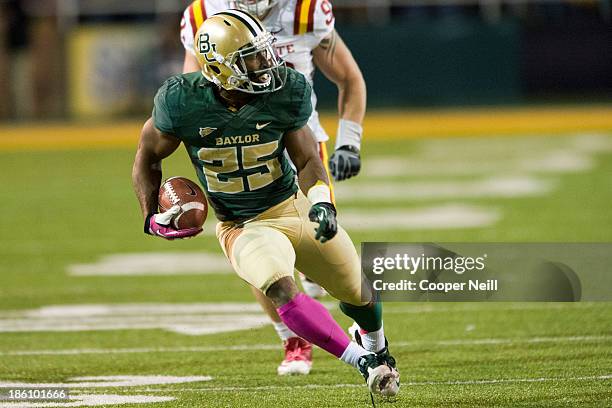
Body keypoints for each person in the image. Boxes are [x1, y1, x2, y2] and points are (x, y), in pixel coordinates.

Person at [132, 10, 399, 397]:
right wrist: (150, 217)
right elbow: (146, 156)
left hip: (290, 206)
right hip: (243, 225)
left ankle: (378, 347)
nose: (266, 63)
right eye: (251, 57)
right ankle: (361, 361)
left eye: (263, 53)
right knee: (281, 288)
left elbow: (307, 159)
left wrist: (322, 202)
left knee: (359, 292)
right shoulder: (182, 100)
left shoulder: (283, 90)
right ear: (222, 68)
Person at [179, 0, 366, 375]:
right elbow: (191, 94)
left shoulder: (305, 11)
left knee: (322, 244)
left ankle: (341, 309)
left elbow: (349, 78)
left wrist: (350, 140)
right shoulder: (203, 15)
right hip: (240, 148)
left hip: (301, 142)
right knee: (257, 248)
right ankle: (291, 337)